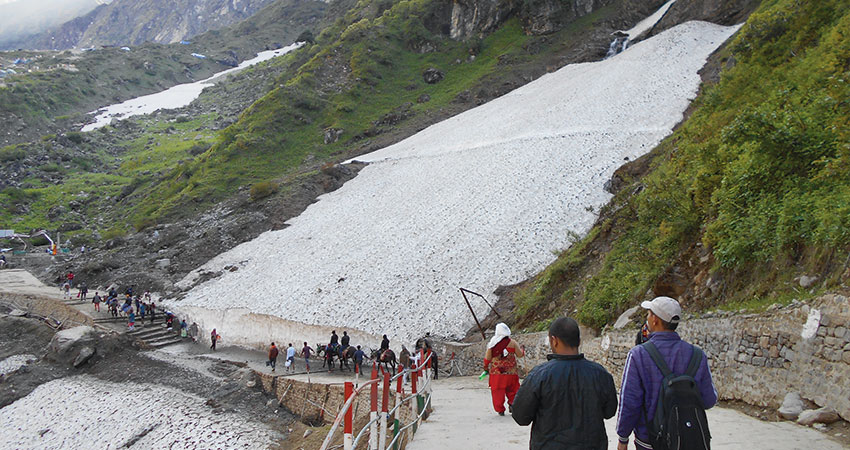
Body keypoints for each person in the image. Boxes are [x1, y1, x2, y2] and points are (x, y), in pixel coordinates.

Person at [616, 297, 717, 450]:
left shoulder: (638, 355)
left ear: (655, 320)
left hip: (650, 441)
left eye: (649, 314)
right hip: (687, 440)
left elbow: (630, 402)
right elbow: (709, 400)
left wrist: (623, 438)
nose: (647, 318)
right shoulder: (698, 355)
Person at [512, 317, 618, 449]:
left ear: (554, 341)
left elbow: (521, 416)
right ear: (579, 341)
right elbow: (609, 411)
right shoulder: (600, 374)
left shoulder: (539, 375)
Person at [483, 323, 524, 416]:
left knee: (497, 391)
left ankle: (500, 410)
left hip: (497, 373)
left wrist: (485, 367)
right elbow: (520, 355)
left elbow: (487, 358)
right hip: (511, 373)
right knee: (513, 390)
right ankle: (513, 405)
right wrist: (522, 350)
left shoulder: (492, 344)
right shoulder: (513, 343)